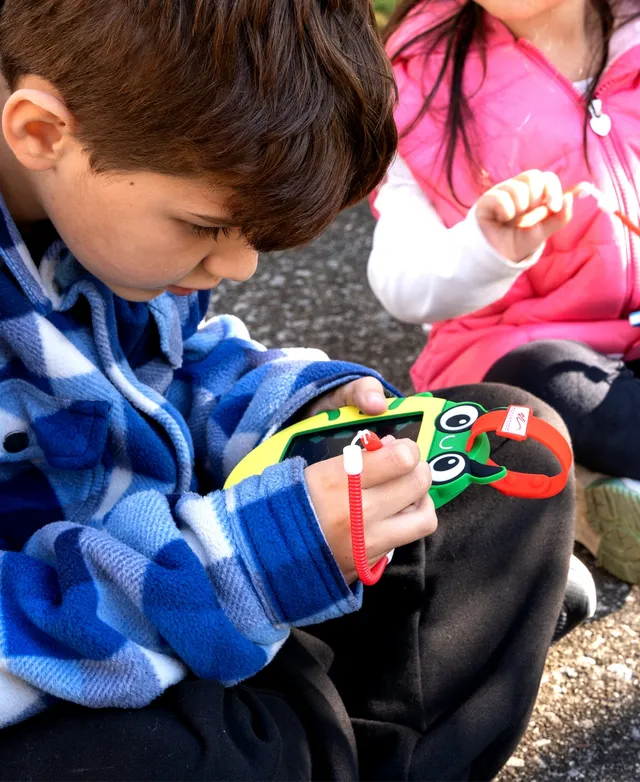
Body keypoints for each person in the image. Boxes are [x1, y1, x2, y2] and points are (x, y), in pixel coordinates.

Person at [0, 1, 588, 780]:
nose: (239, 269)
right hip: (66, 662)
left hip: (191, 587)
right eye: (207, 226)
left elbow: (177, 364)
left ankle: (318, 727)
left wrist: (298, 406)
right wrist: (244, 565)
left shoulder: (112, 203)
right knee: (201, 754)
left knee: (504, 443)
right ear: (41, 132)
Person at [368, 0, 640, 585]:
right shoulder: (419, 82)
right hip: (524, 347)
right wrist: (486, 248)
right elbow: (402, 282)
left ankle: (585, 486)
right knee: (543, 387)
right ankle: (567, 473)